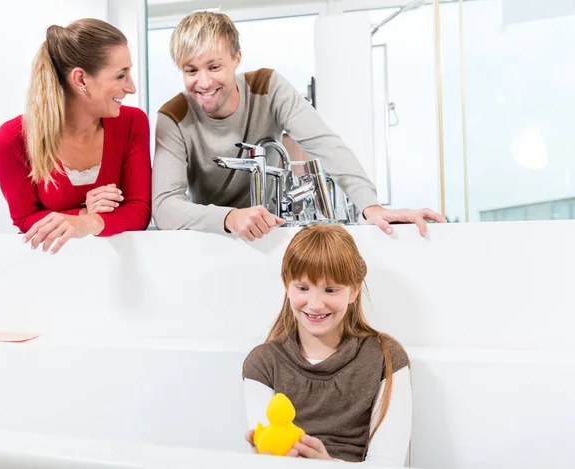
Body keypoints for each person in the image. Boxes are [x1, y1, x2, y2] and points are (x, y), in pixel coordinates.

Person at [152, 11, 444, 242]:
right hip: (209, 241)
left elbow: (326, 144)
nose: (203, 83)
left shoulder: (268, 87)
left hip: (272, 234)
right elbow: (164, 208)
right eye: (191, 70)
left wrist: (371, 206)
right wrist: (230, 218)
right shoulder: (173, 116)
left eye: (214, 67)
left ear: (236, 59)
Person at [243, 223, 412, 464]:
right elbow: (271, 454)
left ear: (354, 291)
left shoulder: (385, 357)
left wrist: (329, 465)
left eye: (330, 290)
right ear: (287, 286)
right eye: (302, 287)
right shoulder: (263, 362)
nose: (315, 304)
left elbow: (387, 464)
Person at [0, 18, 151, 254]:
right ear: (80, 79)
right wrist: (85, 213)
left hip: (120, 269)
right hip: (56, 268)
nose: (131, 87)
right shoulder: (14, 138)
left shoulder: (133, 123)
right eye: (121, 76)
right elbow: (25, 218)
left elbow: (139, 211)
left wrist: (87, 223)